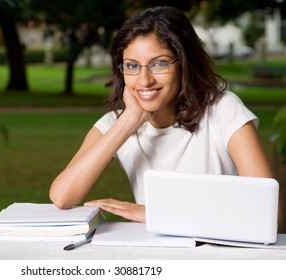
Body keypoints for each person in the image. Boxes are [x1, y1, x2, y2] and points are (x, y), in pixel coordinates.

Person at [49, 6, 273, 223]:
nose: (145, 80)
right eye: (132, 66)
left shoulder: (224, 110)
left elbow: (270, 215)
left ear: (184, 63)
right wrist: (128, 121)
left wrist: (159, 213)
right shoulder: (116, 124)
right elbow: (62, 196)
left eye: (159, 64)